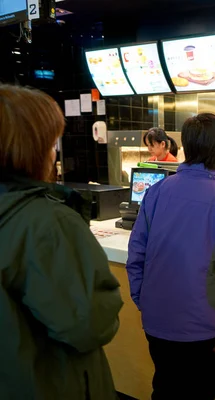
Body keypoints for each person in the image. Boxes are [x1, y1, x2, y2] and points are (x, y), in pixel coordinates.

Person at [0, 84, 123, 399]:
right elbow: (89, 322)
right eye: (52, 141)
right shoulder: (48, 221)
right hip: (49, 382)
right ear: (30, 146)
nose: (55, 151)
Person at [126, 113, 215, 400]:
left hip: (157, 322)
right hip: (202, 329)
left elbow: (136, 254)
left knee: (164, 389)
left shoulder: (156, 192)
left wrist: (142, 298)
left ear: (184, 145)